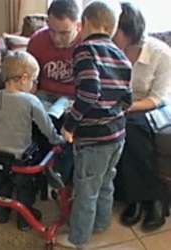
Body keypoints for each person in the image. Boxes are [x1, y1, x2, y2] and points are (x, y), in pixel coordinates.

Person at [57, 0, 133, 248]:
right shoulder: (122, 56)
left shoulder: (84, 50)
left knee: (85, 189)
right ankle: (101, 223)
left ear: (86, 22)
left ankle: (78, 238)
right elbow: (127, 100)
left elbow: (89, 93)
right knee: (105, 182)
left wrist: (70, 123)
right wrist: (108, 113)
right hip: (118, 135)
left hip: (94, 139)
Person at [0, 50, 64, 231]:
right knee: (25, 189)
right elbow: (46, 126)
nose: (34, 85)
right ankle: (24, 221)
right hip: (21, 159)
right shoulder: (30, 100)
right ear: (24, 78)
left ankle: (2, 216)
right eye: (34, 81)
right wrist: (57, 139)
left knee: (3, 186)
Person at [112, 1, 171, 231]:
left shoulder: (161, 54)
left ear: (128, 31)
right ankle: (141, 197)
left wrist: (126, 108)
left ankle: (146, 198)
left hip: (158, 107)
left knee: (132, 126)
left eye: (114, 30)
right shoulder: (111, 51)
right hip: (126, 105)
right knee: (119, 125)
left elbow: (157, 97)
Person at [27, 0, 82, 105]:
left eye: (64, 33)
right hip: (44, 95)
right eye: (52, 30)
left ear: (78, 26)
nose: (56, 38)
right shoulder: (37, 40)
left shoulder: (88, 44)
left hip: (74, 98)